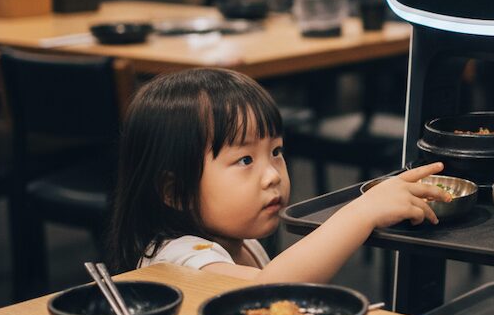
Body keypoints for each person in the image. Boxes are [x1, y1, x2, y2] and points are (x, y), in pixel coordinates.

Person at [107, 68, 448, 279]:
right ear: (175, 190)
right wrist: (362, 213)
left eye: (276, 152)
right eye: (245, 160)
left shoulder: (243, 242)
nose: (272, 175)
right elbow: (269, 290)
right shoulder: (176, 258)